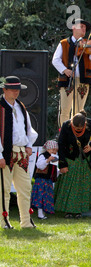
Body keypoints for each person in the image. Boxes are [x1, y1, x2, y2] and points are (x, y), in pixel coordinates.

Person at [0, 76, 39, 229]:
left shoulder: (20, 106)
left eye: (18, 89)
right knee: (4, 190)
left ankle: (26, 221)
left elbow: (28, 129)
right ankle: (4, 221)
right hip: (6, 153)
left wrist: (29, 144)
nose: (16, 92)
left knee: (25, 188)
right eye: (13, 89)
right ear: (5, 90)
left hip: (21, 152)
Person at [52, 18, 91, 127]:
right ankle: (64, 133)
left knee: (79, 110)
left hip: (83, 79)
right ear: (73, 28)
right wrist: (65, 70)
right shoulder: (64, 43)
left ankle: (77, 133)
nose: (84, 29)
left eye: (85, 28)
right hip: (67, 80)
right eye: (81, 26)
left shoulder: (88, 43)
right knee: (65, 109)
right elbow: (55, 60)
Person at [54, 110, 91, 218]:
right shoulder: (66, 125)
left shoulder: (90, 124)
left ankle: (79, 210)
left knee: (82, 185)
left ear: (84, 124)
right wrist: (62, 164)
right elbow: (60, 144)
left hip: (84, 159)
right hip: (69, 158)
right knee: (69, 185)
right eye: (75, 128)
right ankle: (68, 210)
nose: (77, 130)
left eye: (79, 129)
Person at [31, 140, 58, 220]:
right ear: (47, 149)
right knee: (40, 196)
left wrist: (59, 171)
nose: (54, 151)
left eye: (55, 150)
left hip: (48, 180)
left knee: (46, 197)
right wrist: (47, 160)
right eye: (52, 150)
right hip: (41, 180)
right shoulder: (43, 156)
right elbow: (39, 166)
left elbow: (53, 170)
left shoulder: (55, 158)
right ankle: (40, 214)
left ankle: (44, 213)